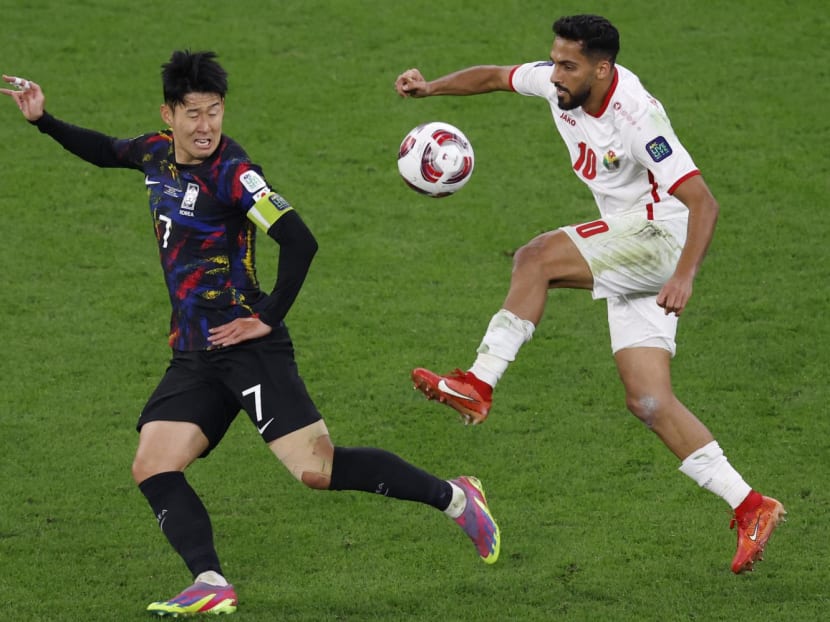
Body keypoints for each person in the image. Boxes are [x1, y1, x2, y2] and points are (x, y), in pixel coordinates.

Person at [2, 50, 500, 617]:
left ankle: (456, 498)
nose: (206, 126)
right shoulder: (154, 153)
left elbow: (300, 241)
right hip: (195, 351)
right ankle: (210, 581)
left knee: (317, 470)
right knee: (153, 464)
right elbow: (104, 150)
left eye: (214, 111)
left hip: (248, 347)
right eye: (193, 113)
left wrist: (267, 318)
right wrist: (43, 120)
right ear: (169, 115)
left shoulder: (235, 176)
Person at [395, 14, 784, 574]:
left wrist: (684, 276)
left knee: (535, 258)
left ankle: (478, 383)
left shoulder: (636, 116)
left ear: (602, 70)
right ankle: (751, 505)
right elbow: (497, 76)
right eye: (555, 61)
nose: (555, 74)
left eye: (568, 66)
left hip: (660, 237)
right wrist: (431, 87)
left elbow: (704, 202)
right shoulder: (559, 83)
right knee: (648, 401)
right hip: (628, 242)